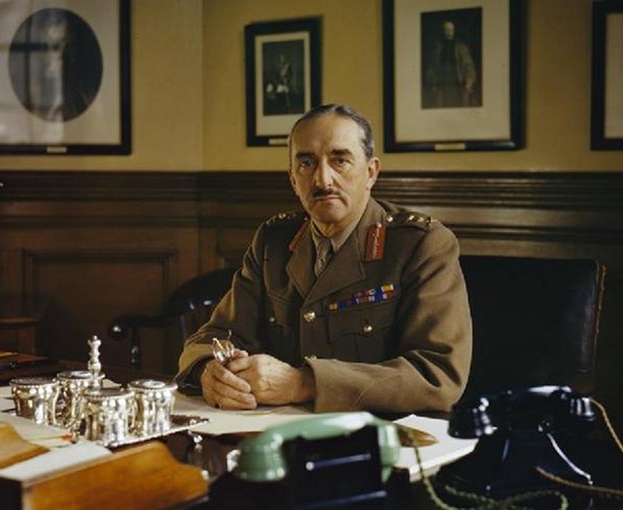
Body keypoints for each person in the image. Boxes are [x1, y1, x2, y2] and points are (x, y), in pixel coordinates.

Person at [176, 104, 472, 414]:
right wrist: (208, 370)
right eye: (306, 163)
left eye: (340, 160)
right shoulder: (273, 241)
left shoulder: (420, 244)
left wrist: (303, 383)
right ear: (293, 179)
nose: (323, 180)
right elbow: (216, 335)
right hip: (280, 434)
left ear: (371, 172)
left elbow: (438, 375)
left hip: (383, 442)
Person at [424, 20, 478, 108]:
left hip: (458, 83)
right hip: (442, 83)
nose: (448, 33)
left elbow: (468, 65)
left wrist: (469, 81)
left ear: (454, 31)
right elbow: (432, 67)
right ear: (443, 31)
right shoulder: (438, 47)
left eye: (450, 30)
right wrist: (433, 82)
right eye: (446, 30)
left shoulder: (461, 46)